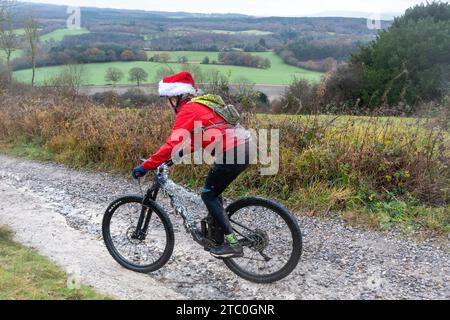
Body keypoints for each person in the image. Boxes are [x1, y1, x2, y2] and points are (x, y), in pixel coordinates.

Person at [131, 72, 252, 259]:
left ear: (177, 96)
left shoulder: (188, 109)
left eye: (169, 98)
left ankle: (233, 245)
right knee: (213, 191)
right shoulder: (202, 105)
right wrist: (172, 158)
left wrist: (146, 166)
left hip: (233, 152)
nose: (169, 103)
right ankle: (218, 234)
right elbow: (193, 142)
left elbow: (172, 143)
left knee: (208, 195)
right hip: (246, 147)